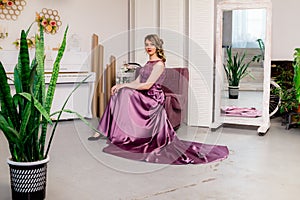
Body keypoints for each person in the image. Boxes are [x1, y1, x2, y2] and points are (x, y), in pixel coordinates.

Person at [88, 34, 229, 164]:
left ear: (157, 46)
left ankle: (114, 133)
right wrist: (120, 85)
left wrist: (124, 86)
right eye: (146, 44)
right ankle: (104, 131)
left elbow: (148, 85)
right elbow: (137, 82)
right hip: (143, 94)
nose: (148, 47)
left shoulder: (159, 64)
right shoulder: (147, 64)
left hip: (153, 99)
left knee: (125, 93)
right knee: (120, 92)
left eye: (151, 44)